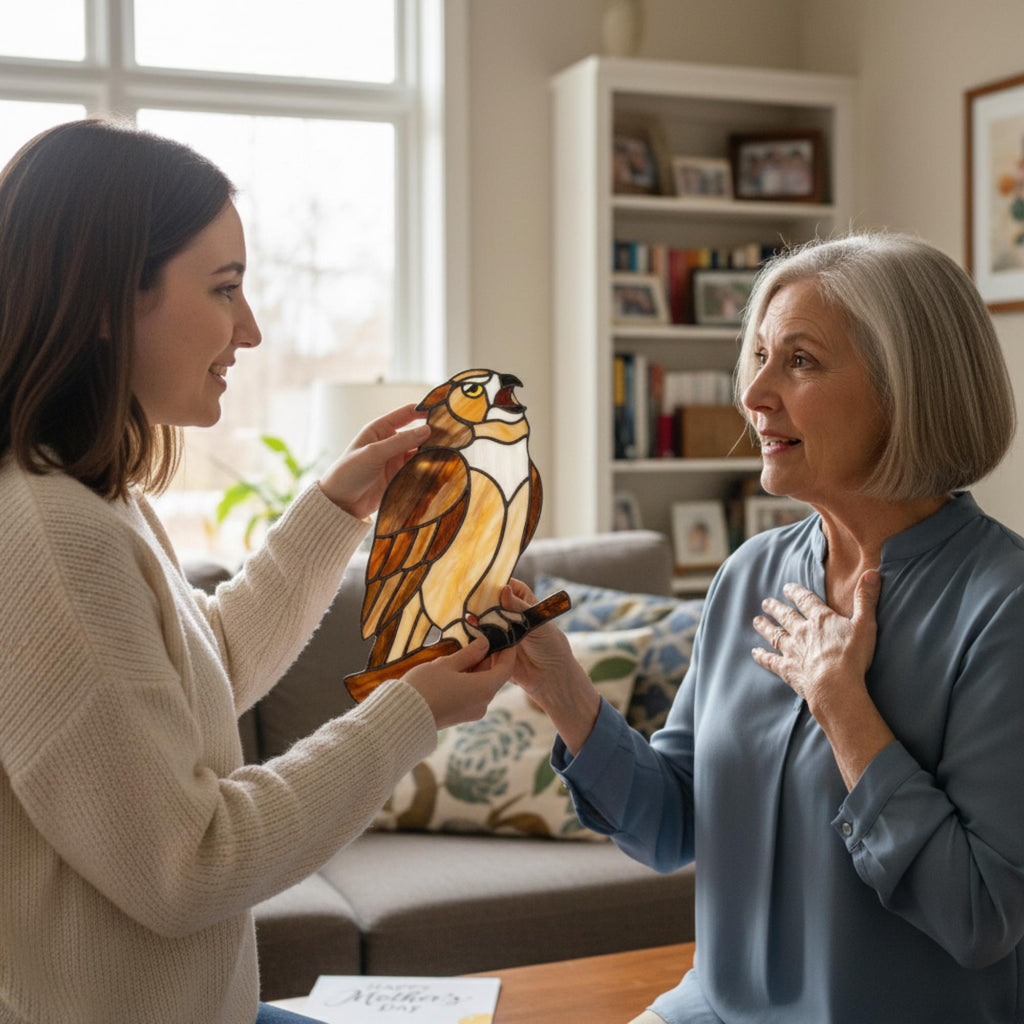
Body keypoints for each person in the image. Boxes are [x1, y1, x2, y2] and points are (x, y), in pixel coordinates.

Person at [0, 117, 514, 1024]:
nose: (251, 330)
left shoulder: (89, 500)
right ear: (107, 301)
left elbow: (207, 672)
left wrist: (336, 509)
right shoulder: (52, 535)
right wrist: (413, 710)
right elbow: (190, 864)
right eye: (225, 288)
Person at [503, 233, 1024, 1023]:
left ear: (905, 390)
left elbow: (980, 916)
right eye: (758, 356)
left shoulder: (1003, 606)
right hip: (713, 1009)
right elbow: (673, 822)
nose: (754, 394)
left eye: (800, 361)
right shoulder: (750, 574)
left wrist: (844, 709)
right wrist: (563, 689)